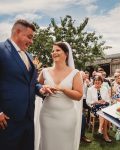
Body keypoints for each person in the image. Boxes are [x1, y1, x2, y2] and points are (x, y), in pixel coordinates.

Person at [0, 19, 50, 150]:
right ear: (17, 32)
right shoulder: (1, 50)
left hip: (28, 117)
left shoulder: (29, 55)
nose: (31, 41)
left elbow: (31, 82)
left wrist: (41, 89)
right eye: (29, 37)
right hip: (7, 120)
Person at [37, 41, 83, 150]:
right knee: (47, 143)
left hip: (67, 116)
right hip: (47, 114)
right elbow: (37, 87)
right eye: (53, 51)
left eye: (58, 50)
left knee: (64, 144)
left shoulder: (75, 73)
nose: (54, 53)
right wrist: (43, 89)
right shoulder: (45, 71)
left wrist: (62, 89)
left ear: (66, 54)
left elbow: (79, 95)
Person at [86, 75, 112, 142]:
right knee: (104, 113)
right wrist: (96, 102)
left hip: (103, 106)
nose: (97, 82)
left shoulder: (105, 88)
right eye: (96, 81)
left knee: (103, 111)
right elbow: (88, 102)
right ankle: (105, 135)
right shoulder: (90, 89)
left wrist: (104, 101)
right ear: (94, 81)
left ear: (101, 82)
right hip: (94, 107)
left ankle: (100, 129)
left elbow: (108, 100)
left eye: (99, 81)